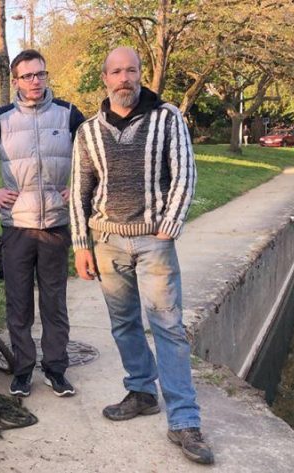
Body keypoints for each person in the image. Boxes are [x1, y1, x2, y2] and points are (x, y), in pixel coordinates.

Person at [70, 46, 213, 465]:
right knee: (124, 324)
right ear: (106, 78)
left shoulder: (167, 118)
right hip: (108, 243)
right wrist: (81, 245)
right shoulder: (88, 132)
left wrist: (169, 224)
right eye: (116, 71)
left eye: (131, 70)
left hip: (154, 243)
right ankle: (141, 391)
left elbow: (184, 173)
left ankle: (185, 420)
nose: (124, 78)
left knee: (168, 326)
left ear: (140, 73)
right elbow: (79, 192)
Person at [0, 49, 84, 398]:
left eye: (40, 74)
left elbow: (96, 151)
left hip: (56, 225)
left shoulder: (68, 114)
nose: (35, 81)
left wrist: (77, 187)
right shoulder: (1, 118)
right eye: (28, 76)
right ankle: (22, 370)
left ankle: (56, 370)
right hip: (16, 226)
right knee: (18, 303)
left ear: (47, 77)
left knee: (54, 302)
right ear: (16, 81)